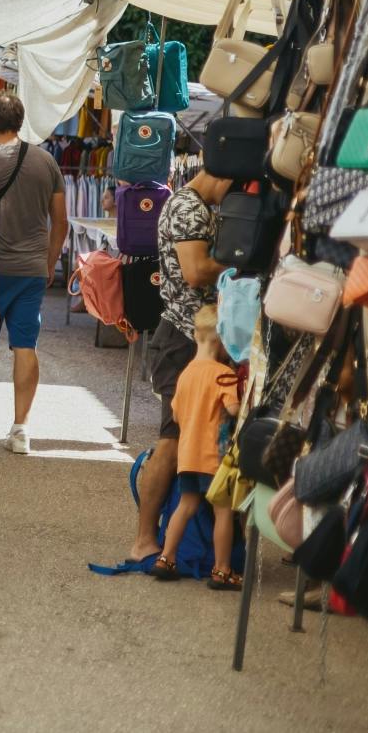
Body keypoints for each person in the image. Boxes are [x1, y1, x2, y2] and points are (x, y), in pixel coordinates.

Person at [132, 165, 234, 562]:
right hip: (183, 339)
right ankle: (143, 538)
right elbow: (195, 271)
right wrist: (240, 260)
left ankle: (182, 540)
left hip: (196, 338)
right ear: (220, 173)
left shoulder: (196, 205)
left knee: (189, 441)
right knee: (173, 441)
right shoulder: (188, 208)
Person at [0, 90, 68, 454]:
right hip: (31, 269)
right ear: (21, 122)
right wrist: (50, 263)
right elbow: (61, 222)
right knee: (25, 346)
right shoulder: (47, 162)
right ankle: (20, 428)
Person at [152, 305, 243, 587]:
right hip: (214, 457)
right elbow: (233, 407)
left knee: (185, 505)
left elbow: (177, 415)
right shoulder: (223, 374)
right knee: (223, 510)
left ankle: (166, 558)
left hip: (187, 456)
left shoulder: (186, 374)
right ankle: (222, 569)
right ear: (223, 340)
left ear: (195, 334)